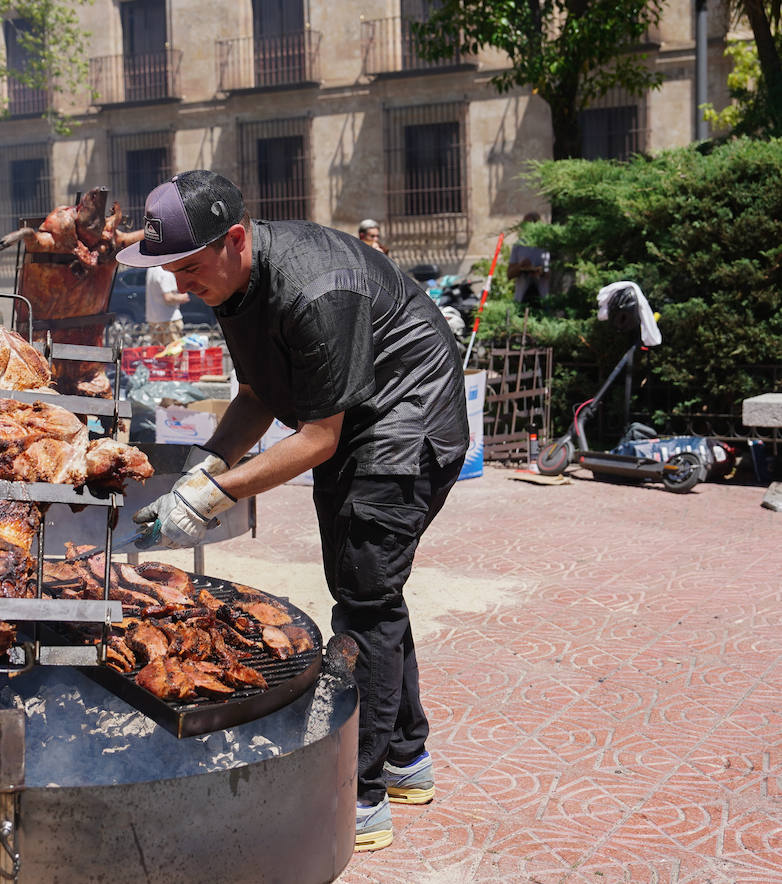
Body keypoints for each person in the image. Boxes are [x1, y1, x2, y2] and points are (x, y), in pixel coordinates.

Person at [115, 170, 468, 854]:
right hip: (356, 420)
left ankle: (358, 797)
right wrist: (203, 466)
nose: (181, 286)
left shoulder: (315, 288)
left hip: (406, 421)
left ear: (236, 240)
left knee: (364, 599)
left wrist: (215, 498)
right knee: (370, 592)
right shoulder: (231, 284)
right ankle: (407, 756)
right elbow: (258, 395)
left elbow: (316, 437)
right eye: (171, 272)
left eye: (188, 269)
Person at [508, 211, 552, 305]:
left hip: (542, 298)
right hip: (521, 298)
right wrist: (520, 267)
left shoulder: (546, 244)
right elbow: (509, 274)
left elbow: (553, 273)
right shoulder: (519, 245)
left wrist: (541, 271)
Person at [144, 264, 189, 347]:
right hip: (169, 319)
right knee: (174, 352)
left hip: (154, 318)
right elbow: (168, 297)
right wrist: (184, 297)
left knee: (158, 352)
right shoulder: (165, 272)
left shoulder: (152, 269)